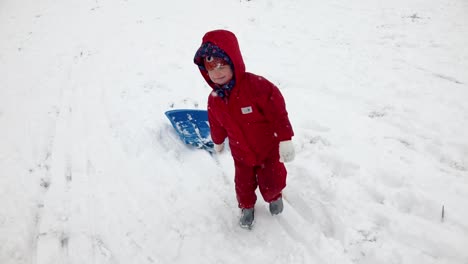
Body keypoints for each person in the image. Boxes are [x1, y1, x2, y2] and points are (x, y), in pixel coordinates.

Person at [193, 29, 295, 230]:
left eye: (222, 65)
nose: (217, 73)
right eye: (211, 68)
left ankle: (274, 197)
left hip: (267, 150)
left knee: (273, 179)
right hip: (241, 154)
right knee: (243, 184)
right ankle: (246, 207)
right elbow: (216, 122)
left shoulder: (258, 87)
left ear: (234, 61)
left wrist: (285, 138)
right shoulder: (215, 99)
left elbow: (277, 112)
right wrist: (218, 140)